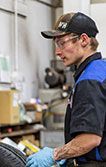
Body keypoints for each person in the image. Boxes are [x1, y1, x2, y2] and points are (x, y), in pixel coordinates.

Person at [26, 12, 106, 167]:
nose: (57, 52)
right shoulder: (100, 69)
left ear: (84, 40)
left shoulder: (89, 80)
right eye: (56, 44)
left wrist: (55, 154)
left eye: (62, 43)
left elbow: (90, 138)